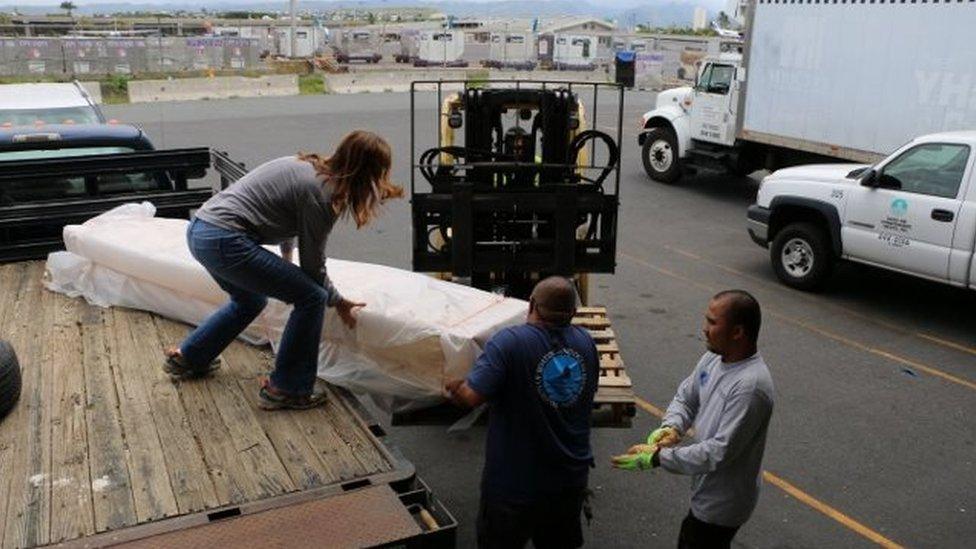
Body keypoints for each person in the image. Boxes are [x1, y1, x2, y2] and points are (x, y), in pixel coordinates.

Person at [163, 130, 403, 410]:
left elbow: (280, 212)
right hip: (225, 240)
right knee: (312, 297)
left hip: (201, 230)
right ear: (366, 173)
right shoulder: (323, 194)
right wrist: (338, 301)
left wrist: (285, 259)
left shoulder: (303, 165)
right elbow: (313, 266)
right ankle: (288, 388)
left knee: (249, 300)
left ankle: (190, 357)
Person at [612, 290, 774, 549]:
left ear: (737, 332)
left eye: (712, 322)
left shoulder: (750, 387)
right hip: (706, 488)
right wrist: (672, 427)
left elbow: (719, 452)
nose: (704, 329)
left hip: (723, 503)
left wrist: (657, 457)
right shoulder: (714, 358)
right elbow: (687, 396)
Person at [445, 277, 598, 549]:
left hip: (514, 488)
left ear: (531, 305)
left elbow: (471, 398)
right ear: (574, 312)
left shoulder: (509, 343)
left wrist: (452, 385)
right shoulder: (587, 344)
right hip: (568, 482)